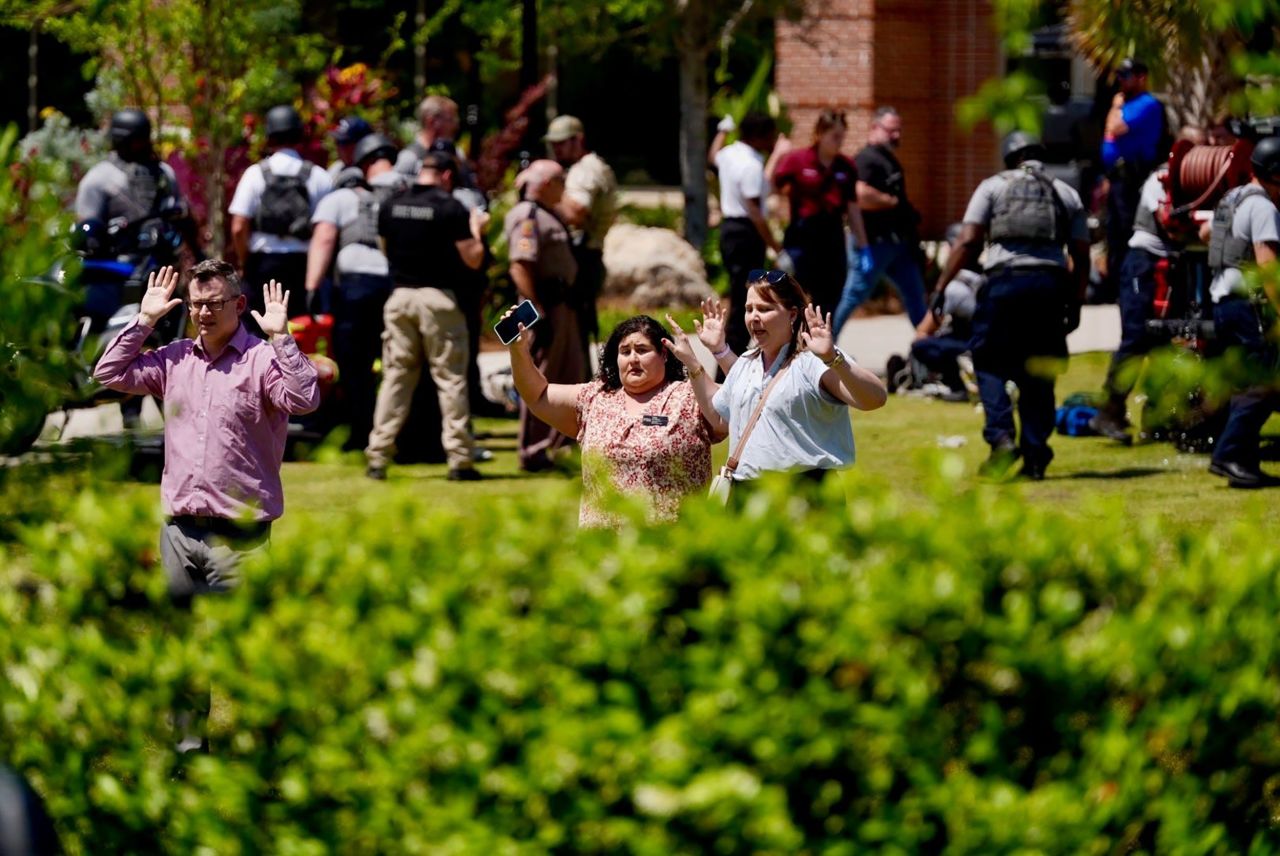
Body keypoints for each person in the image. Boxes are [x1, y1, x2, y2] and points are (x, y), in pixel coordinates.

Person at [91, 261, 320, 598]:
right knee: (174, 628)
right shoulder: (175, 359)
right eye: (196, 304)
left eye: (214, 303)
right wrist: (145, 320)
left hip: (239, 541)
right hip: (178, 534)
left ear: (239, 305)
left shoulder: (261, 359)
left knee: (235, 630)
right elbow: (108, 373)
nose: (203, 313)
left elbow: (305, 400)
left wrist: (282, 339)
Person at [934, 131, 1089, 480]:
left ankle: (1002, 438)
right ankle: (1035, 455)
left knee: (987, 360)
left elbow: (968, 240)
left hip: (1004, 283)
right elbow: (1081, 255)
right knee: (1040, 368)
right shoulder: (1066, 193)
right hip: (1050, 286)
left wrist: (942, 286)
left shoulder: (992, 187)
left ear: (1010, 158)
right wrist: (1076, 303)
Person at [667, 269, 887, 485]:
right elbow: (720, 419)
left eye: (764, 309)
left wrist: (833, 359)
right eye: (749, 309)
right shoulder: (746, 362)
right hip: (747, 491)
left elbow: (875, 399)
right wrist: (693, 362)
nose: (754, 317)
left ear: (792, 314)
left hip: (805, 492)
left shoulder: (812, 360)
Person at [504, 312, 722, 526]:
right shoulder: (594, 398)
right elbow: (537, 395)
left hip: (671, 541)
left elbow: (734, 408)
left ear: (664, 354)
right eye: (625, 351)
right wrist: (519, 350)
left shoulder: (690, 397)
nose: (633, 358)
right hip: (602, 544)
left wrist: (717, 353)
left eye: (642, 350)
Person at [365, 150, 489, 482]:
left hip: (400, 297)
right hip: (438, 300)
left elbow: (386, 249)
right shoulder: (450, 207)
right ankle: (460, 459)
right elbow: (474, 258)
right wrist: (477, 229)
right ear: (447, 175)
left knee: (396, 377)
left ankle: (378, 455)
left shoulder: (391, 204)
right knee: (450, 379)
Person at [75, 107, 193, 428]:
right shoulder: (100, 178)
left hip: (162, 269)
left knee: (168, 343)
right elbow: (88, 227)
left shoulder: (162, 174)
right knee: (129, 335)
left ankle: (175, 422)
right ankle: (130, 415)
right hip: (120, 273)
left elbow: (181, 216)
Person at [305, 133, 409, 450]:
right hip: (397, 284)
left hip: (355, 287)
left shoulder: (340, 198)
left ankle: (360, 431)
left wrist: (312, 286)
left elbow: (324, 239)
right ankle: (398, 433)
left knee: (354, 363)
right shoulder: (402, 195)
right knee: (396, 360)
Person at [1202, 136, 1280, 488]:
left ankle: (1243, 462)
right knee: (1264, 383)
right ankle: (1228, 454)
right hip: (1248, 305)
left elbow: (1206, 232)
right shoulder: (1263, 207)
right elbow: (1267, 266)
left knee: (1242, 385)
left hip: (1222, 302)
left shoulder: (1231, 198)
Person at [504, 159, 587, 472]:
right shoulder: (528, 216)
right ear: (547, 184)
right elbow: (520, 265)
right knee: (541, 377)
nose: (564, 188)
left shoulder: (548, 213)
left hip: (563, 305)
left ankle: (561, 445)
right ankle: (534, 450)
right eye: (560, 181)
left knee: (568, 373)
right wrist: (536, 308)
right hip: (545, 308)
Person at [1089, 161, 1178, 442]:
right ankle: (1109, 411)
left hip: (1170, 265)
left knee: (1163, 342)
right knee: (1135, 338)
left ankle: (1156, 419)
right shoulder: (1159, 179)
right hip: (1143, 264)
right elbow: (1170, 224)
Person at [229, 104, 333, 323]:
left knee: (255, 330)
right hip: (303, 266)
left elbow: (238, 226)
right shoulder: (319, 176)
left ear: (269, 136)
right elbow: (326, 230)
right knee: (298, 329)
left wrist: (245, 261)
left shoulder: (255, 174)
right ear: (299, 135)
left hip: (262, 264)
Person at [832, 106, 928, 333]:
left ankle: (928, 342)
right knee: (854, 294)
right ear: (875, 127)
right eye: (891, 130)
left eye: (898, 130)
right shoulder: (867, 158)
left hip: (897, 243)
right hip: (874, 243)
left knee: (915, 294)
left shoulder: (887, 159)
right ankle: (825, 342)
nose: (896, 135)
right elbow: (859, 194)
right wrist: (890, 201)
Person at [772, 109, 872, 314]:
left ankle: (824, 334)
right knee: (797, 297)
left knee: (830, 298)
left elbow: (853, 209)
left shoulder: (846, 166)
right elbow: (772, 186)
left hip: (832, 236)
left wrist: (864, 246)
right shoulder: (797, 160)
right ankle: (795, 334)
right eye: (835, 136)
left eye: (842, 136)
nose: (840, 141)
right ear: (819, 134)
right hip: (803, 236)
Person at [708, 112, 784, 356]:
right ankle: (728, 364)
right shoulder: (751, 165)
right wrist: (775, 246)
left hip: (729, 230)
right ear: (758, 136)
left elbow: (713, 155)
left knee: (740, 295)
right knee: (744, 301)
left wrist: (723, 131)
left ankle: (731, 357)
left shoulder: (730, 153)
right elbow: (755, 211)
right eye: (770, 135)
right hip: (746, 234)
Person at [546, 114, 619, 361]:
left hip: (582, 258)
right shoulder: (587, 166)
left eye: (561, 143)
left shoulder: (585, 170)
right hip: (586, 257)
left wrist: (544, 195)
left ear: (578, 140)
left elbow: (576, 212)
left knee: (572, 335)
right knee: (575, 334)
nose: (556, 149)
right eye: (553, 143)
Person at [888, 223, 982, 397]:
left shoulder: (954, 286)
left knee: (921, 345)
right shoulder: (986, 277)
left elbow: (924, 329)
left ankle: (956, 384)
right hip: (987, 345)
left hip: (971, 349)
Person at [1101, 58, 1167, 302]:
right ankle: (1115, 289)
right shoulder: (1126, 103)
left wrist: (1115, 106)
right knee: (1114, 234)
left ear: (1141, 77)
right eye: (1119, 76)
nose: (1121, 81)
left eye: (1126, 76)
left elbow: (1115, 128)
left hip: (1133, 177)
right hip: (1116, 177)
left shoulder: (1146, 104)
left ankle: (1131, 288)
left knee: (1127, 233)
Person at [326, 115, 372, 181]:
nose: (340, 148)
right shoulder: (335, 169)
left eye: (345, 143)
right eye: (338, 142)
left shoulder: (375, 171)